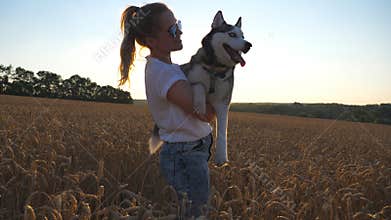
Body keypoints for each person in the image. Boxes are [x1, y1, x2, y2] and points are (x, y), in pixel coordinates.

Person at [118, 3, 216, 218]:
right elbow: (207, 113)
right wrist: (222, 86)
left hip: (190, 149)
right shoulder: (164, 74)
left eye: (178, 24)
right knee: (195, 214)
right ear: (151, 41)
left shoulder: (169, 68)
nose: (179, 31)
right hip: (185, 153)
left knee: (193, 210)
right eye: (172, 29)